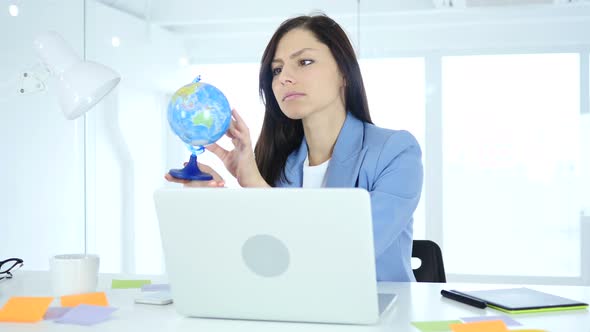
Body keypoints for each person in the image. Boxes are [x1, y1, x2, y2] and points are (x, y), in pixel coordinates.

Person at [165, 14, 423, 282]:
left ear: (344, 73)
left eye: (305, 62)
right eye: (276, 70)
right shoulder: (281, 163)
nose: (284, 78)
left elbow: (345, 252)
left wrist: (255, 184)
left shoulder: (395, 152)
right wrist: (214, 202)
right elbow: (260, 262)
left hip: (379, 316)